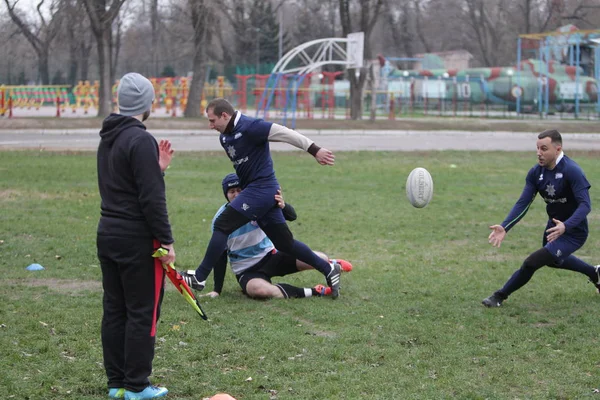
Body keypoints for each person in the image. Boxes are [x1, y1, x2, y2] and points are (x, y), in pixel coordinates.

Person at [185, 98, 342, 298]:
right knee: (285, 244)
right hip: (259, 192)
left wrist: (315, 150)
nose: (210, 126)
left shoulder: (252, 126)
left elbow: (286, 134)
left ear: (225, 115)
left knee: (222, 224)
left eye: (212, 120)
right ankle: (329, 269)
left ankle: (199, 277)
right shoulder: (225, 138)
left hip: (263, 188)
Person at [97, 72, 175, 400]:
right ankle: (137, 386)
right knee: (143, 311)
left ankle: (117, 383)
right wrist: (166, 242)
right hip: (136, 240)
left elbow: (129, 182)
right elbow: (151, 198)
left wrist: (156, 168)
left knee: (116, 309)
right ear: (146, 103)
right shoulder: (140, 139)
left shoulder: (109, 136)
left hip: (109, 234)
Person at [183, 173, 352, 299]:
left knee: (319, 257)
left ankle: (332, 265)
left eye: (239, 189)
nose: (236, 194)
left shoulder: (258, 206)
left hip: (271, 256)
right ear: (225, 195)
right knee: (260, 291)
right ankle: (316, 291)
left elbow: (292, 216)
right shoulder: (221, 220)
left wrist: (282, 206)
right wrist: (217, 290)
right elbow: (220, 256)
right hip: (246, 270)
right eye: (231, 191)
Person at [482, 129, 600, 307]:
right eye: (537, 148)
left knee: (532, 262)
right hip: (553, 228)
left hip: (574, 231)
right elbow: (523, 203)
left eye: (544, 148)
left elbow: (585, 206)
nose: (539, 153)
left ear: (558, 149)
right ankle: (594, 273)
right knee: (553, 261)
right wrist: (505, 227)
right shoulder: (536, 173)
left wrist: (565, 226)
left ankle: (499, 296)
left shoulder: (572, 170)